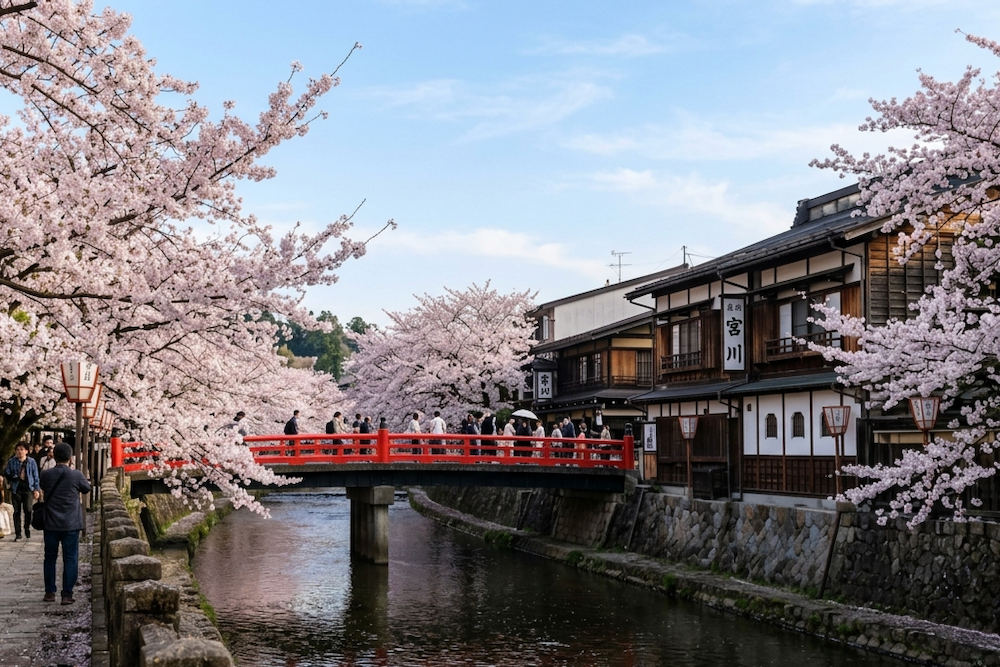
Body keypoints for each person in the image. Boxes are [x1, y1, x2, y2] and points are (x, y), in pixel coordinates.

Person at [39, 442, 91, 604]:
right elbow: (87, 488)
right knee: (70, 558)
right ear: (70, 458)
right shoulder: (76, 475)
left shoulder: (46, 475)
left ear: (54, 455)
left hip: (51, 523)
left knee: (50, 558)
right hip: (71, 523)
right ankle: (67, 594)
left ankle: (50, 592)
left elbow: (42, 487)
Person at [4, 442, 40, 540]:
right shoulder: (12, 461)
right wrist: (12, 479)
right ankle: (18, 532)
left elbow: (36, 475)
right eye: (18, 450)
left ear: (26, 451)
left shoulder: (31, 461)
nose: (20, 452)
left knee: (28, 510)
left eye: (22, 449)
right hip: (16, 488)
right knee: (16, 511)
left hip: (28, 488)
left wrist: (36, 489)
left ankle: (27, 528)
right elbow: (7, 473)